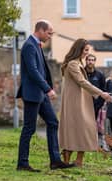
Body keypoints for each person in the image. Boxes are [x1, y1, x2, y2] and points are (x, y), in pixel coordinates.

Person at [16, 20, 74, 172]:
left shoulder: (37, 45)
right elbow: (33, 71)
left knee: (53, 122)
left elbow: (41, 70)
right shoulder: (29, 45)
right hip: (32, 93)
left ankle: (55, 161)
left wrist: (46, 88)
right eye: (49, 33)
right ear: (40, 30)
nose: (50, 36)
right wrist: (48, 89)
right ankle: (22, 163)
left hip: (40, 94)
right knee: (29, 128)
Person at [59, 39, 112, 167]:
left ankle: (78, 160)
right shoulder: (73, 64)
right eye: (86, 50)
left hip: (81, 101)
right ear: (79, 49)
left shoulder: (77, 63)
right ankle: (68, 157)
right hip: (75, 102)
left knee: (84, 128)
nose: (87, 53)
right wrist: (102, 93)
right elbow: (82, 82)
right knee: (77, 129)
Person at [85, 54, 109, 151]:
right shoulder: (82, 74)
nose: (90, 62)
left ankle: (92, 144)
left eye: (92, 60)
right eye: (89, 60)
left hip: (95, 106)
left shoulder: (100, 75)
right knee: (82, 124)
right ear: (86, 61)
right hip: (83, 104)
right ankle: (82, 143)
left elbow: (103, 91)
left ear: (95, 62)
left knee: (92, 125)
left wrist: (99, 105)